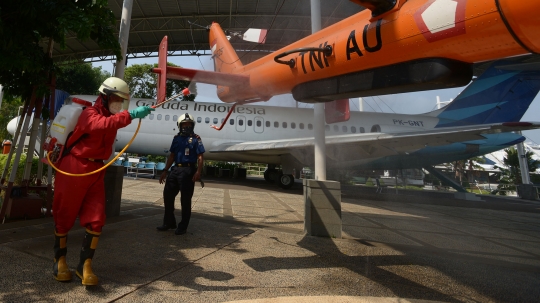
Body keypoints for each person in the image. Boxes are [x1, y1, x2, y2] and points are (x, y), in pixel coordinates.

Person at [52, 77, 154, 285]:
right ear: (105, 97)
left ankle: (85, 265)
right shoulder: (90, 114)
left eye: (123, 100)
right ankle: (60, 260)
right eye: (117, 98)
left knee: (97, 217)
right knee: (65, 214)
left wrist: (127, 115)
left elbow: (110, 123)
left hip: (97, 169)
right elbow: (102, 125)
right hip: (74, 166)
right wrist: (131, 115)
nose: (120, 104)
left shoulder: (112, 116)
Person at [158, 113, 205, 235]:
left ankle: (183, 227)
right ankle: (169, 222)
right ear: (180, 125)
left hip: (188, 171)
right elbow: (172, 156)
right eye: (184, 124)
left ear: (192, 125)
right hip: (175, 170)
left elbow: (200, 157)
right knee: (167, 196)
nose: (187, 126)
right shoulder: (176, 138)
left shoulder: (196, 139)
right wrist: (165, 170)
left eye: (189, 124)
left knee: (185, 200)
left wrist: (198, 172)